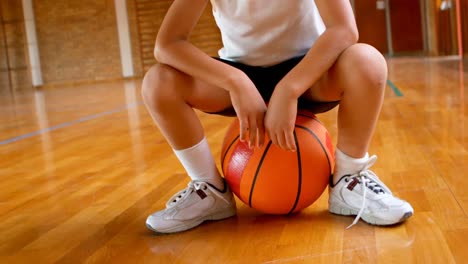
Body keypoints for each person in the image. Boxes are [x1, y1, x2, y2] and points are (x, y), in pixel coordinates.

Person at [142, 0, 413, 234]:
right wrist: (235, 81)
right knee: (158, 82)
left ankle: (348, 178)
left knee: (367, 62)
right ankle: (210, 188)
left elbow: (343, 29)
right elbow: (167, 45)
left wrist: (290, 88)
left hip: (308, 70)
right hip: (239, 73)